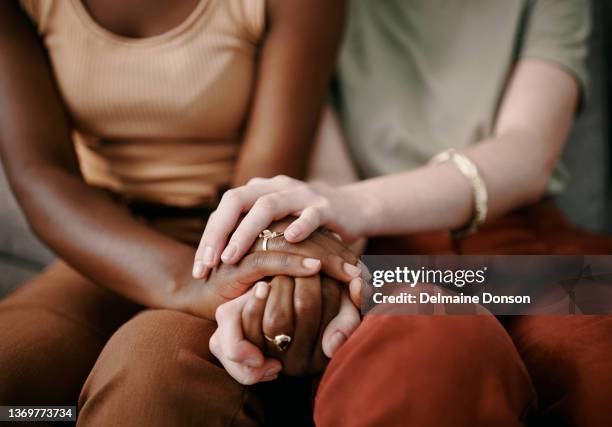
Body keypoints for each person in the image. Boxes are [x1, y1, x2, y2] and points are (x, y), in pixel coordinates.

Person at [200, 0, 612, 425]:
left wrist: (351, 205)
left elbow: (527, 153)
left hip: (534, 250)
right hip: (387, 264)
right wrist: (307, 286)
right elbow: (328, 195)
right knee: (421, 350)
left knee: (599, 353)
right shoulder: (313, 9)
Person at [0, 0, 362, 425]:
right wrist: (186, 286)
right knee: (14, 373)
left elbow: (265, 180)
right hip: (103, 237)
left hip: (232, 239)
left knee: (148, 387)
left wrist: (241, 275)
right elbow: (41, 175)